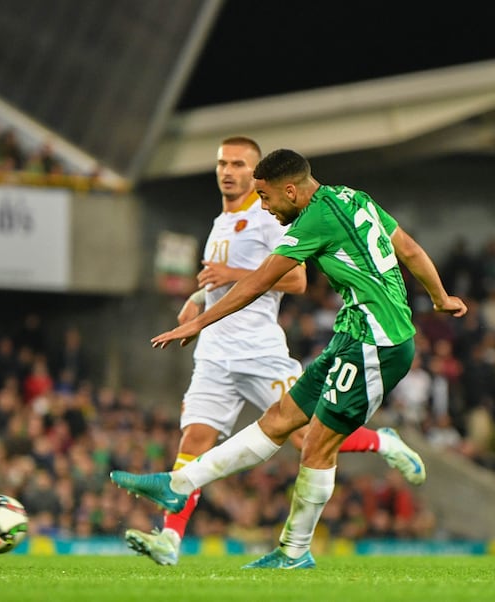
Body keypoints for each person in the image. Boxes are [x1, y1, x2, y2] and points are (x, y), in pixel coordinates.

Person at [112, 148, 467, 569]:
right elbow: (407, 247)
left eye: (266, 196)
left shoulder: (315, 218)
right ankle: (179, 485)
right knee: (281, 419)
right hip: (352, 333)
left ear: (292, 190)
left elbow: (263, 280)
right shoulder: (354, 198)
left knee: (315, 445)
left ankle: (293, 551)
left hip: (376, 342)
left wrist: (198, 322)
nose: (264, 206)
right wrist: (439, 296)